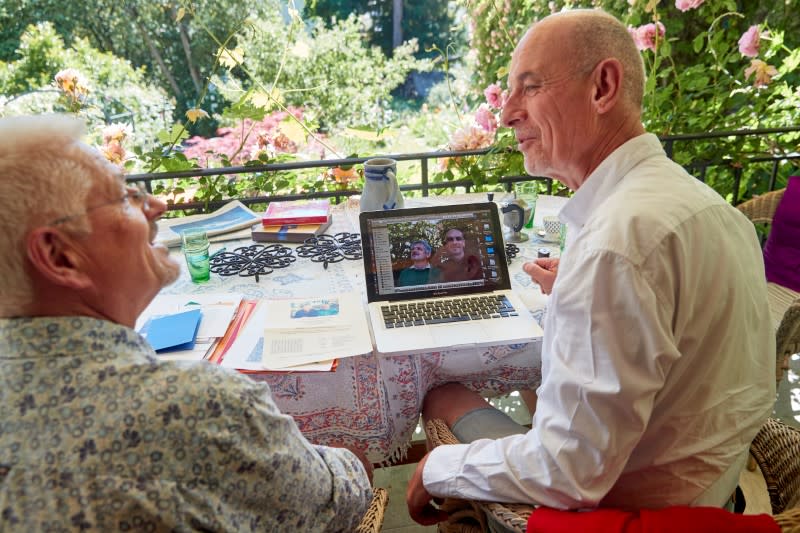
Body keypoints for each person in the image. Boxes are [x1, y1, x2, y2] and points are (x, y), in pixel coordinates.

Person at [407, 8, 775, 526]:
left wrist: (437, 468)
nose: (509, 113)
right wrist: (577, 290)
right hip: (718, 494)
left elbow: (567, 471)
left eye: (529, 88)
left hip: (621, 512)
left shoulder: (615, 247)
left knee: (444, 393)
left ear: (603, 86)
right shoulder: (709, 207)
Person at [0, 114, 372, 531]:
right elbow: (336, 502)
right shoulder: (196, 407)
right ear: (60, 256)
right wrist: (345, 460)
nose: (158, 205)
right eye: (124, 198)